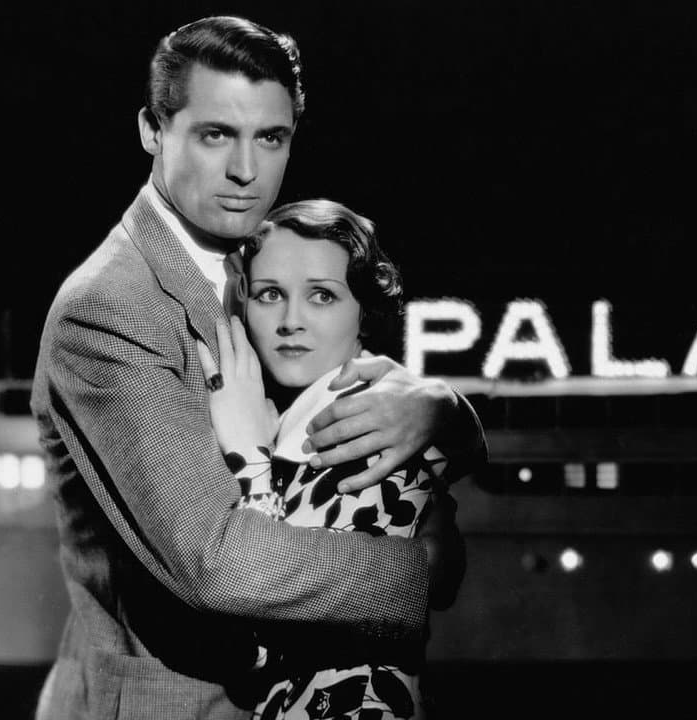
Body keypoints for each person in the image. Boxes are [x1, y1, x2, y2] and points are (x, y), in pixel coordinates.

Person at [29, 16, 483, 720]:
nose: (246, 171)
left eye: (271, 138)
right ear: (153, 131)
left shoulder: (261, 260)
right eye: (216, 135)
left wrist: (444, 410)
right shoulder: (111, 307)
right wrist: (420, 573)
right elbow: (218, 562)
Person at [200, 199, 454, 720]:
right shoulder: (296, 419)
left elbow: (254, 636)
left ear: (365, 311)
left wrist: (251, 463)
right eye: (270, 294)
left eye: (322, 295)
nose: (291, 321)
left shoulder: (373, 427)